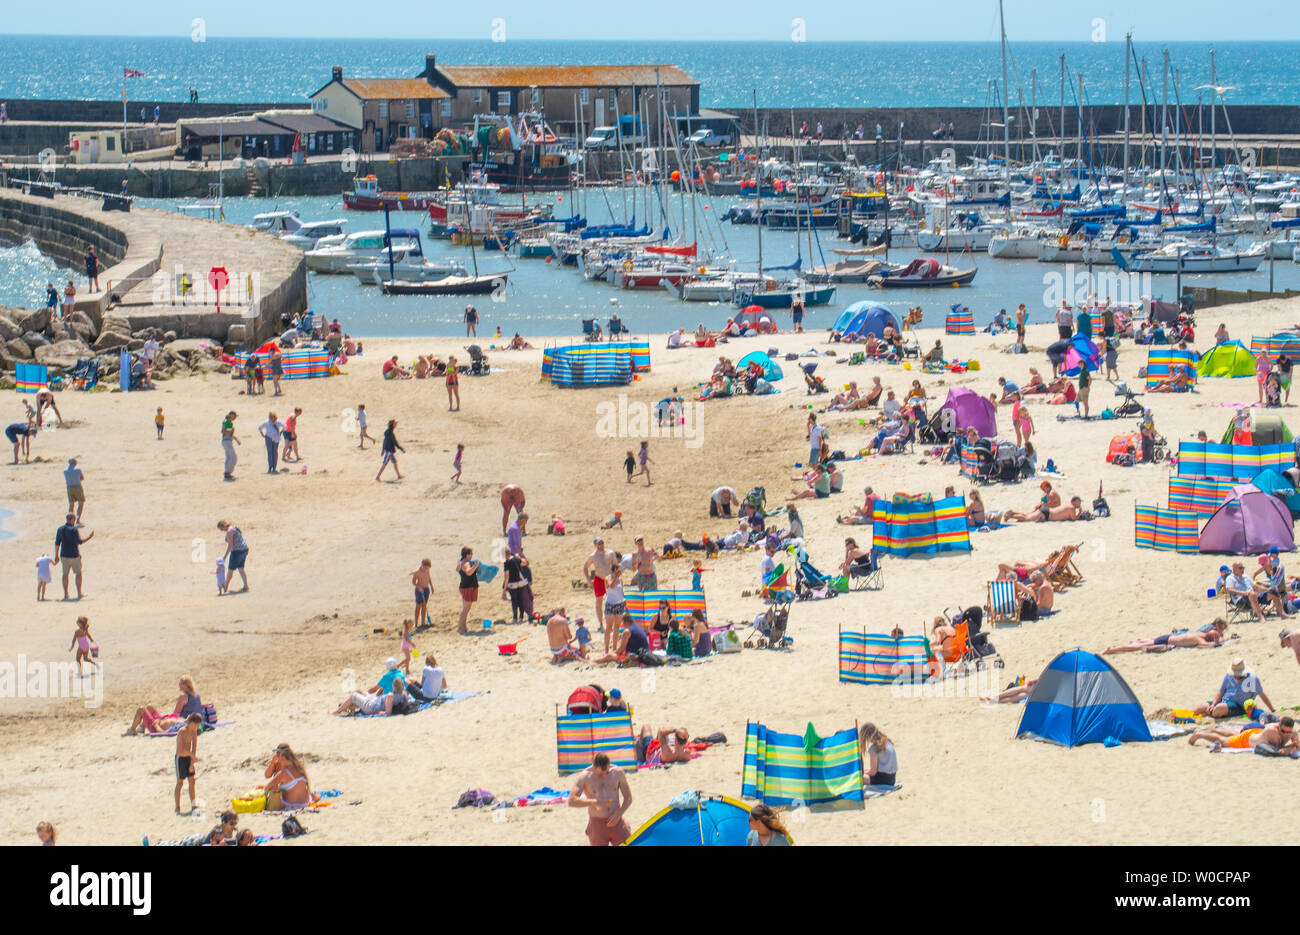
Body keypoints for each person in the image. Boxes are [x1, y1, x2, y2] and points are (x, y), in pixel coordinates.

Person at [569, 753, 632, 846]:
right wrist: (593, 802)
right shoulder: (584, 776)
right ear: (594, 767)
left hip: (617, 821)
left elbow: (628, 798)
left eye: (606, 773)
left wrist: (619, 813)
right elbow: (571, 801)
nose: (603, 776)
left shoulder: (617, 772)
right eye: (600, 774)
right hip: (597, 824)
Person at [1192, 659, 1275, 718]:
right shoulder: (1229, 676)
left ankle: (1209, 713)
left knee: (1218, 709)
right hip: (1224, 701)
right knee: (1202, 706)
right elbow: (1221, 692)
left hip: (1240, 706)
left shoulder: (1252, 679)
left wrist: (1272, 709)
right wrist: (1213, 704)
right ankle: (1185, 717)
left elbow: (1262, 695)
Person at [1187, 718, 1300, 753]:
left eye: (1288, 732)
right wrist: (1293, 746)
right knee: (1224, 741)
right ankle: (1200, 734)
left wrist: (1295, 743)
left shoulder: (1291, 732)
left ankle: (1215, 730)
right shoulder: (1272, 731)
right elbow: (1278, 750)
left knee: (1234, 734)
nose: (1285, 734)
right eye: (1283, 731)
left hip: (1255, 733)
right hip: (1248, 740)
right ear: (1279, 725)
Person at [259, 743, 318, 810]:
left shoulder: (284, 773)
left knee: (263, 788)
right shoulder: (299, 766)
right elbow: (267, 775)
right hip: (305, 803)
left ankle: (316, 796)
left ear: (283, 757)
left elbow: (266, 788)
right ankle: (316, 796)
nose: (277, 756)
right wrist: (273, 763)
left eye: (278, 754)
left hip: (289, 804)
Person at [53, 512, 92, 600]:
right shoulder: (74, 529)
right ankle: (79, 593)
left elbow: (57, 543)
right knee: (78, 574)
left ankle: (66, 594)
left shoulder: (60, 529)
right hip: (74, 555)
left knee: (65, 575)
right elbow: (79, 542)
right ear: (72, 519)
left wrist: (56, 555)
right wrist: (89, 537)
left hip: (63, 555)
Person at [1104, 628, 1225, 653]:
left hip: (1167, 637)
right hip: (1166, 642)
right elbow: (1208, 646)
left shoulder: (1200, 633)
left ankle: (1136, 641)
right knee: (1137, 648)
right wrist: (1217, 643)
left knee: (1143, 643)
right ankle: (1114, 649)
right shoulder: (1199, 639)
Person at [174, 712, 202, 814]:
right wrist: (192, 755)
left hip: (189, 758)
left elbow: (194, 747)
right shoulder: (182, 732)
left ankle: (194, 805)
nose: (197, 727)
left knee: (192, 781)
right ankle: (177, 807)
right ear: (191, 723)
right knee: (180, 783)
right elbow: (180, 750)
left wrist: (191, 763)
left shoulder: (193, 732)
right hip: (180, 759)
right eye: (196, 725)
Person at [217, 519, 248, 593]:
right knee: (241, 569)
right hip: (244, 549)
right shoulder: (233, 527)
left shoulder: (229, 531)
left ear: (223, 526)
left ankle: (225, 587)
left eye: (221, 529)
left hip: (237, 551)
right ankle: (246, 586)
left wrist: (225, 556)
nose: (222, 531)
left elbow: (230, 545)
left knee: (230, 570)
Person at [456, 547, 480, 635]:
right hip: (468, 587)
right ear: (467, 554)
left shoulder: (460, 562)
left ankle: (464, 627)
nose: (472, 556)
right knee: (466, 609)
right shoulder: (466, 563)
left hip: (464, 586)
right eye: (471, 554)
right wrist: (475, 566)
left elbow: (457, 569)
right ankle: (460, 628)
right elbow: (469, 572)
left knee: (465, 609)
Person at [62, 457, 87, 523]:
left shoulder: (65, 470)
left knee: (71, 504)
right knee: (81, 503)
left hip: (69, 487)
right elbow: (82, 478)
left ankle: (70, 520)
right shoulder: (78, 469)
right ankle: (78, 519)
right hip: (77, 486)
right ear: (74, 462)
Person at [412, 557, 433, 626]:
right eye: (425, 567)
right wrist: (419, 587)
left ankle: (423, 622)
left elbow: (429, 578)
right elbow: (413, 582)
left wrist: (432, 586)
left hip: (426, 590)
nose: (426, 569)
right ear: (422, 565)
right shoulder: (417, 572)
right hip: (419, 591)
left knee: (424, 606)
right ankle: (416, 623)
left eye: (428, 568)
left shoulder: (427, 570)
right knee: (418, 606)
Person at [220, 411, 240, 480]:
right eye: (234, 416)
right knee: (233, 457)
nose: (235, 418)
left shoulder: (229, 423)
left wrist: (236, 439)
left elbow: (229, 432)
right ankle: (228, 472)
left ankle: (227, 472)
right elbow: (223, 431)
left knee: (228, 457)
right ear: (231, 415)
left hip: (226, 441)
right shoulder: (226, 422)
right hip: (226, 441)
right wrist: (231, 431)